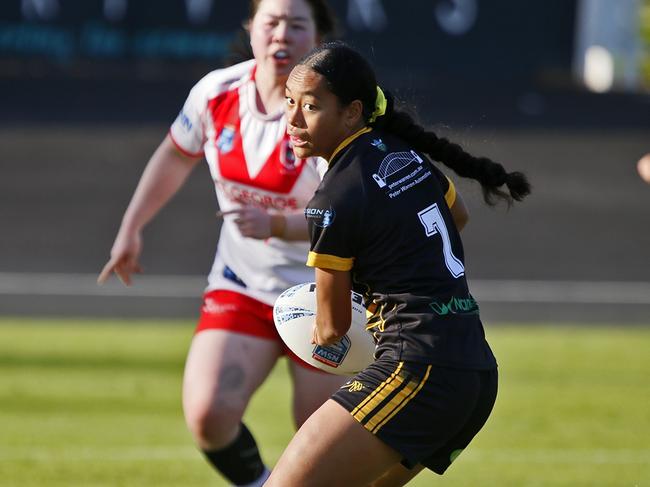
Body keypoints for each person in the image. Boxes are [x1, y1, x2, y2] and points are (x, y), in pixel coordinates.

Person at [97, 2, 345, 486]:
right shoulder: (218, 93)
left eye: (297, 25)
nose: (282, 36)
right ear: (251, 28)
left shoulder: (333, 110)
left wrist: (276, 225)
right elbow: (175, 153)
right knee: (208, 415)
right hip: (243, 284)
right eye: (271, 22)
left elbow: (351, 219)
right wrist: (132, 227)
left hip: (326, 293)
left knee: (320, 436)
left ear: (318, 37)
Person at [267, 41, 531, 486]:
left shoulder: (333, 200)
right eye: (289, 102)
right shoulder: (404, 157)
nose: (292, 120)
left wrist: (313, 329)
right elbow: (457, 214)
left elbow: (330, 330)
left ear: (352, 113)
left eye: (310, 107)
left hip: (418, 369)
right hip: (475, 371)